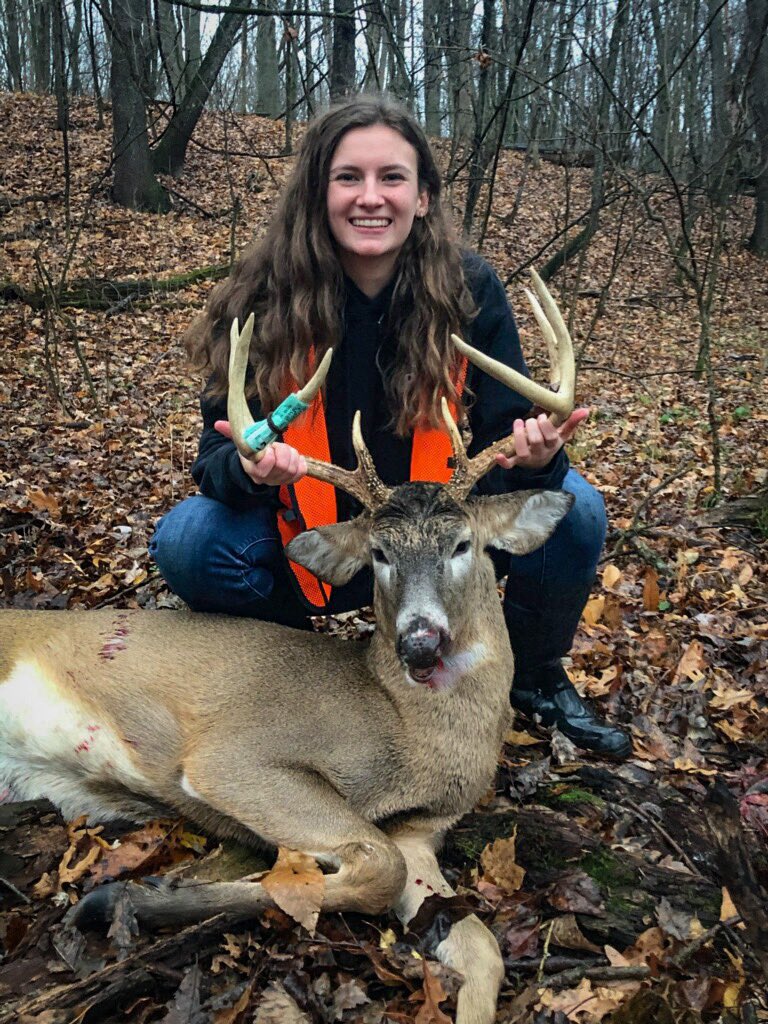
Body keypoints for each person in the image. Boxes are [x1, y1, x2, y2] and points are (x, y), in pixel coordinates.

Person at [149, 95, 631, 760]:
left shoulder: (470, 291)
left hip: (439, 559)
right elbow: (216, 457)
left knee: (576, 512)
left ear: (424, 196)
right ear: (318, 192)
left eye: (392, 178)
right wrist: (252, 468)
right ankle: (303, 664)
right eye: (348, 177)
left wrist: (540, 455)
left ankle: (534, 676)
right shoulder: (262, 297)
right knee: (190, 538)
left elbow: (509, 433)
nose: (370, 198)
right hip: (330, 547)